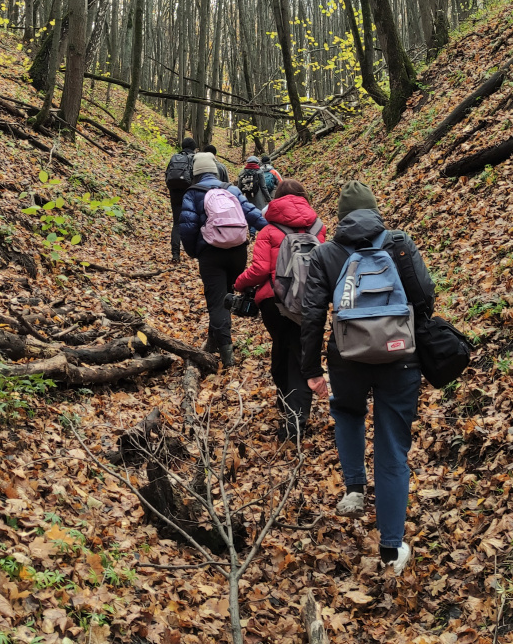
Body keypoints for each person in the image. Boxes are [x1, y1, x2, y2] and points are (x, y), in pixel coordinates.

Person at [300, 180, 435, 575]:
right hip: (400, 358)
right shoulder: (398, 242)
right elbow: (425, 297)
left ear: (340, 218)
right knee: (392, 446)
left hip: (347, 357)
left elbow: (312, 315)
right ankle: (392, 550)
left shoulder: (325, 252)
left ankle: (355, 490)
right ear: (375, 211)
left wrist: (311, 370)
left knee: (347, 413)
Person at [234, 180, 326, 441]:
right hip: (309, 302)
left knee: (283, 351)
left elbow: (260, 270)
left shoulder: (268, 230)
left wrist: (238, 283)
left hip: (275, 304)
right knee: (297, 354)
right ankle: (293, 412)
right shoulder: (319, 228)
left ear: (276, 200)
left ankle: (293, 420)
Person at [179, 153, 268, 367]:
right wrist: (274, 229)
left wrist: (195, 252)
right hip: (238, 251)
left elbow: (187, 228)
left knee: (217, 302)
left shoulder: (192, 193)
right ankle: (213, 341)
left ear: (195, 173)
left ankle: (227, 357)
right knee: (226, 295)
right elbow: (253, 214)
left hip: (211, 254)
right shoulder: (231, 189)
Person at [165, 137, 197, 264]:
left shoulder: (174, 157)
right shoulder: (194, 158)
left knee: (177, 224)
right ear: (193, 148)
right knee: (193, 222)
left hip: (175, 193)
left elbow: (167, 174)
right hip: (189, 192)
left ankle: (175, 254)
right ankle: (193, 252)